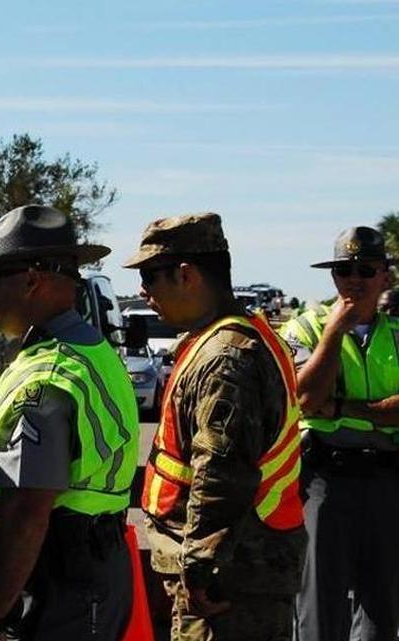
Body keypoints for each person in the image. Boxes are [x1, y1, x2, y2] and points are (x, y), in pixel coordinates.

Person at [0, 204, 139, 641]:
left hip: (55, 580)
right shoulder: (93, 352)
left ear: (31, 280)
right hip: (93, 571)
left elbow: (27, 512)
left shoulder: (49, 377)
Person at [125, 213, 305, 641]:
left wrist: (200, 567)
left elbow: (221, 471)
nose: (143, 291)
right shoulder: (234, 339)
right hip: (243, 568)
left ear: (186, 275)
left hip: (228, 584)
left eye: (151, 276)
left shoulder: (225, 357)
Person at [280, 226, 399, 641]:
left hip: (386, 480)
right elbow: (307, 398)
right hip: (324, 480)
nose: (354, 279)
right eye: (343, 270)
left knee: (382, 606)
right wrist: (335, 331)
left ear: (385, 276)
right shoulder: (305, 328)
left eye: (365, 269)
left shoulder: (397, 333)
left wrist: (343, 409)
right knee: (318, 602)